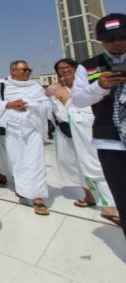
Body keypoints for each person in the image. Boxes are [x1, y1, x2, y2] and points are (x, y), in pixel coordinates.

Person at [72, 13, 126, 236]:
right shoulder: (88, 67)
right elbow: (78, 100)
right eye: (110, 39)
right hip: (110, 140)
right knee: (122, 194)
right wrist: (100, 86)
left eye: (122, 37)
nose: (117, 43)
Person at [48, 58, 119, 222]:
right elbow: (51, 110)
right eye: (60, 68)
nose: (64, 70)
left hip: (92, 127)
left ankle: (108, 204)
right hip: (68, 131)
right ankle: (89, 195)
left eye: (67, 66)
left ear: (75, 68)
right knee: (77, 163)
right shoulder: (54, 88)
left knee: (96, 163)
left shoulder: (88, 83)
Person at [0, 60, 52, 216]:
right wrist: (10, 105)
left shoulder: (36, 87)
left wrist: (30, 103)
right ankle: (23, 190)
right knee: (17, 162)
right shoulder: (2, 86)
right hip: (13, 130)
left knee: (36, 162)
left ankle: (38, 198)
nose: (27, 72)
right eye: (24, 70)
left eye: (28, 70)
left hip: (33, 129)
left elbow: (47, 106)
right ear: (13, 71)